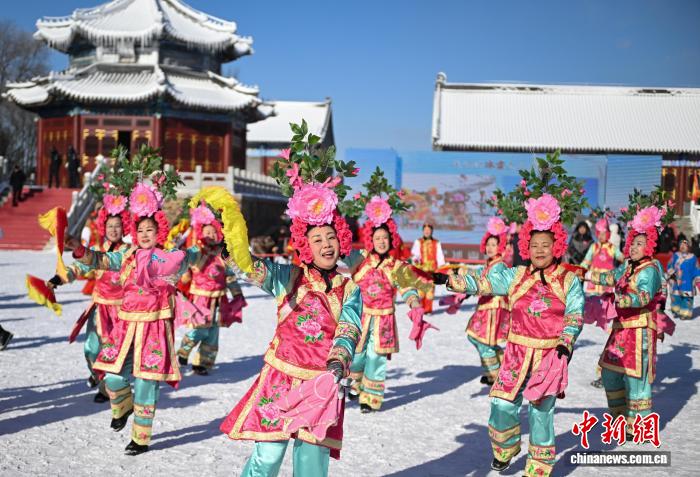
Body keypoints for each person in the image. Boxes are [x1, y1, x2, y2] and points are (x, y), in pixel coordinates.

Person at [220, 126, 363, 477]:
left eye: (331, 237)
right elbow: (256, 270)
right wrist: (235, 253)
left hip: (321, 383)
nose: (326, 245)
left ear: (341, 241)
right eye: (318, 239)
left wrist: (338, 363)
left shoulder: (349, 289)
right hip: (280, 377)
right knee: (267, 457)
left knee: (311, 463)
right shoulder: (289, 278)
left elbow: (349, 329)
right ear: (306, 246)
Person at [437, 193, 585, 477]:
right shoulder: (516, 275)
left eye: (546, 245)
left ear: (556, 246)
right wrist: (451, 280)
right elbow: (485, 282)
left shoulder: (568, 280)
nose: (540, 250)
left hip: (550, 354)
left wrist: (566, 344)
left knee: (541, 411)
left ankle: (539, 466)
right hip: (516, 352)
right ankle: (505, 449)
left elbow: (575, 315)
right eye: (534, 245)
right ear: (526, 246)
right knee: (500, 402)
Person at [343, 188, 433, 412]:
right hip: (360, 317)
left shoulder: (396, 266)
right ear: (370, 239)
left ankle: (370, 399)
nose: (381, 241)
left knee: (376, 358)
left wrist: (414, 304)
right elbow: (340, 250)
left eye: (385, 238)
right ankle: (355, 382)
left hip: (384, 320)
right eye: (377, 238)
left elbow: (407, 288)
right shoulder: (359, 259)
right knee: (356, 357)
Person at [587, 203, 673, 432]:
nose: (634, 247)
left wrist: (624, 300)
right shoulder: (627, 266)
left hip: (640, 330)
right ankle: (620, 417)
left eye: (640, 243)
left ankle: (639, 426)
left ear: (650, 246)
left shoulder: (650, 269)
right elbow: (610, 277)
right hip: (621, 328)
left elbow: (644, 296)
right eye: (633, 242)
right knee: (609, 373)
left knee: (636, 379)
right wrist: (586, 274)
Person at [47, 206, 131, 402]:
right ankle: (97, 375)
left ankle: (105, 389)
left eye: (117, 226)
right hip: (100, 309)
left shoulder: (129, 252)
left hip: (122, 311)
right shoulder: (96, 251)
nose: (113, 230)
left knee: (113, 352)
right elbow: (79, 267)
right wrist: (60, 278)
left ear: (124, 227)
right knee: (92, 349)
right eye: (110, 226)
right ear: (103, 228)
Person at [177, 202, 247, 375]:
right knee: (199, 329)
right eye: (207, 232)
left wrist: (237, 294)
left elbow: (229, 276)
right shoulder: (197, 251)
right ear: (201, 234)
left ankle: (203, 363)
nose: (211, 235)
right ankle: (184, 350)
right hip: (201, 298)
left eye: (214, 232)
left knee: (213, 333)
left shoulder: (223, 254)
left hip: (219, 299)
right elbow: (187, 259)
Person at [464, 217, 510, 385]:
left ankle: (496, 375)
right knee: (478, 338)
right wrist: (459, 274)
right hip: (485, 306)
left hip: (493, 307)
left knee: (482, 340)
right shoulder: (489, 264)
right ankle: (499, 369)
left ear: (500, 247)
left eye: (494, 244)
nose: (490, 248)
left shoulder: (499, 266)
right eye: (488, 244)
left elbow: (487, 284)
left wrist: (470, 286)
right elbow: (476, 274)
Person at [580, 218, 624, 388]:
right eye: (600, 233)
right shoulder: (594, 247)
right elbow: (586, 261)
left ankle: (605, 318)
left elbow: (621, 258)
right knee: (593, 303)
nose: (602, 236)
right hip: (594, 282)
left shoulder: (612, 248)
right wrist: (580, 270)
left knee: (607, 304)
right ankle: (596, 317)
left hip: (607, 282)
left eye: (605, 233)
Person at [411, 223, 445, 313]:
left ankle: (428, 310)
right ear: (423, 231)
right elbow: (415, 254)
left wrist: (441, 267)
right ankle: (420, 308)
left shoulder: (436, 242)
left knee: (430, 289)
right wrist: (415, 260)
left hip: (432, 269)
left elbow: (440, 256)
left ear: (432, 231)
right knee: (421, 289)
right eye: (425, 230)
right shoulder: (418, 242)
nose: (427, 232)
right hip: (421, 269)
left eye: (429, 230)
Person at [666, 238, 699, 320]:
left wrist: (697, 278)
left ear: (689, 247)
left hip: (688, 281)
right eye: (681, 245)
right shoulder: (676, 255)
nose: (683, 246)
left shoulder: (693, 257)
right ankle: (676, 310)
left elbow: (696, 269)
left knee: (687, 298)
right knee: (676, 296)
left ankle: (685, 313)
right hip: (676, 280)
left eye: (685, 245)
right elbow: (670, 264)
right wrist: (671, 272)